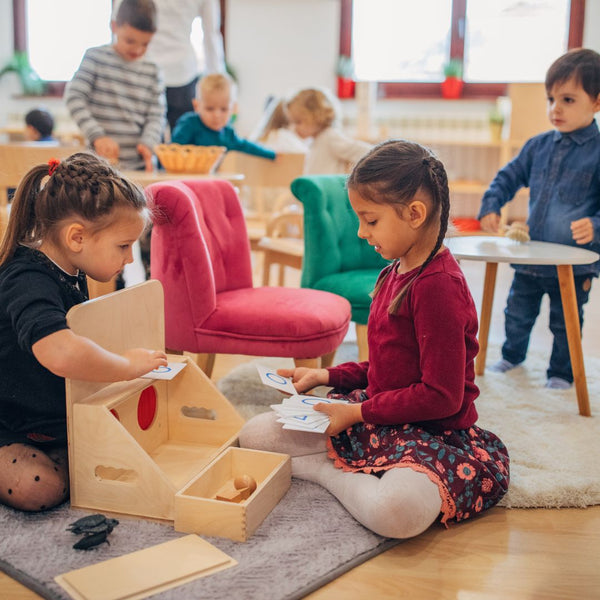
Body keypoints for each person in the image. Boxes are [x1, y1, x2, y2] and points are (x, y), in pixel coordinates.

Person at [239, 140, 510, 539]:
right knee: (254, 435)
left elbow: (441, 396)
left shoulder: (439, 287)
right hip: (379, 415)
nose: (362, 233)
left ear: (414, 214)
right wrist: (326, 376)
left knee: (395, 514)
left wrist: (353, 415)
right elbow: (387, 366)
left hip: (430, 431)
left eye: (370, 220)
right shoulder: (394, 271)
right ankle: (350, 469)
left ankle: (320, 471)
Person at [0, 152, 168, 512]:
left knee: (124, 453)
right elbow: (59, 352)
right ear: (76, 236)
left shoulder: (71, 266)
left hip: (49, 416)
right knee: (39, 488)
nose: (128, 259)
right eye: (123, 246)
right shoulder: (26, 278)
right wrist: (124, 366)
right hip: (10, 420)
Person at [478, 48, 600, 390]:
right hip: (530, 257)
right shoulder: (538, 146)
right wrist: (492, 203)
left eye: (568, 99)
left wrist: (595, 224)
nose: (555, 108)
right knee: (516, 313)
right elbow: (508, 176)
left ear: (597, 103)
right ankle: (512, 355)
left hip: (574, 265)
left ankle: (560, 373)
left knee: (566, 321)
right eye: (551, 98)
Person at [65, 0, 166, 171]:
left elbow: (156, 116)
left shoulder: (153, 70)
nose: (137, 50)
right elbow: (74, 98)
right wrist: (97, 135)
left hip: (139, 168)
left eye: (145, 44)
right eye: (130, 41)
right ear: (114, 26)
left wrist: (148, 143)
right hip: (98, 167)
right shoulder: (95, 58)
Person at [113, 0, 226, 134]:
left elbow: (118, 22)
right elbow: (211, 33)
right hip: (162, 72)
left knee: (161, 141)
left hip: (165, 73)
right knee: (172, 143)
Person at [171, 73, 276, 160]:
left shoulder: (228, 134)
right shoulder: (189, 124)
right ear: (197, 106)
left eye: (224, 109)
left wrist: (272, 154)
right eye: (210, 109)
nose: (217, 115)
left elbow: (246, 146)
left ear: (233, 109)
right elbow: (173, 151)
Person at [285, 87, 372, 174]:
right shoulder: (315, 140)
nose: (293, 128)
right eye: (292, 122)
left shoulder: (330, 137)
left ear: (316, 117)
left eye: (298, 122)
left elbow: (368, 152)